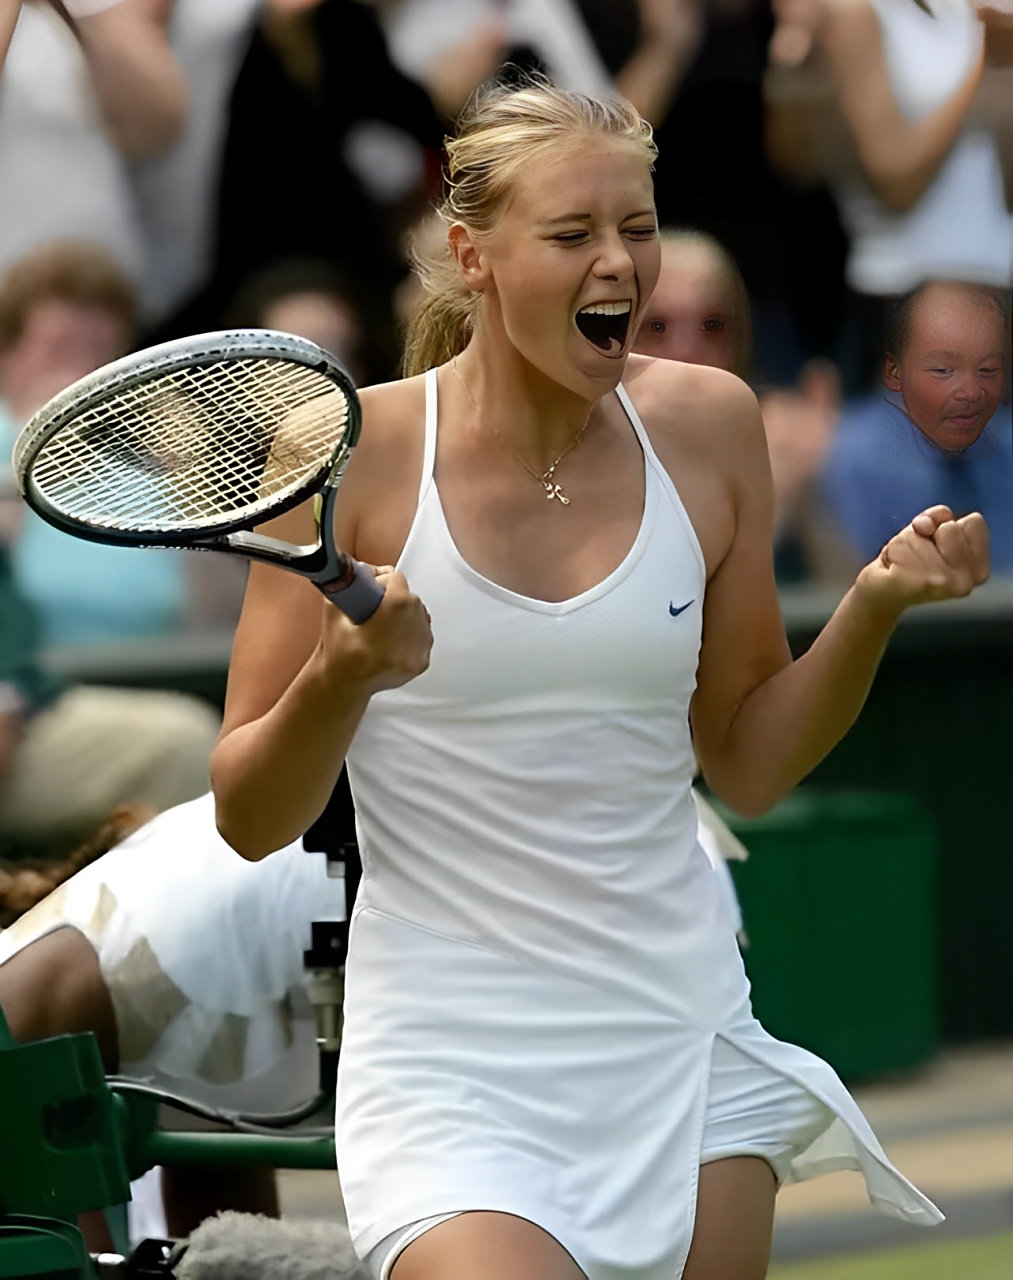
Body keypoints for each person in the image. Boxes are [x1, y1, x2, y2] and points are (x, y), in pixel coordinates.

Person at [211, 79, 989, 1280]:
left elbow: (747, 762)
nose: (617, 262)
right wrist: (339, 675)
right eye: (571, 233)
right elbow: (249, 815)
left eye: (636, 225)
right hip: (450, 1063)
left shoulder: (709, 423)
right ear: (471, 255)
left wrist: (872, 604)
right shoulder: (345, 452)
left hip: (682, 1034)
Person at [823, 278, 1013, 572]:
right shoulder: (847, 453)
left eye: (988, 370)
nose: (971, 392)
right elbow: (841, 586)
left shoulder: (1006, 443)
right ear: (894, 371)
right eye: (943, 370)